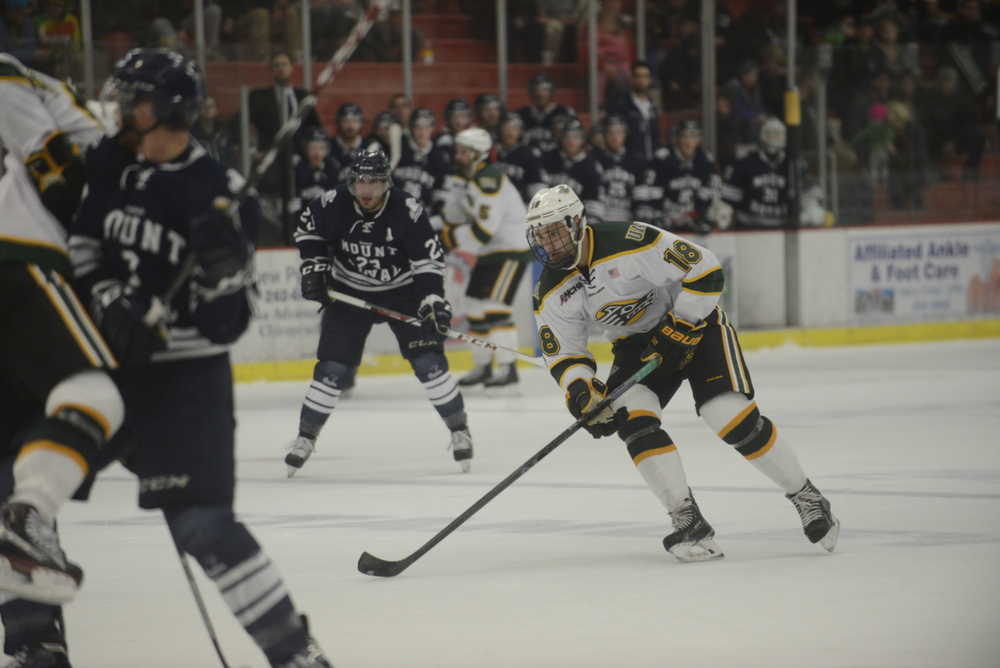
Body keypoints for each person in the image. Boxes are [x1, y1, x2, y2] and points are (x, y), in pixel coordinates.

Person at [69, 49, 333, 667]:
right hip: (98, 369)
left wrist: (219, 275)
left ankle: (295, 655)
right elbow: (82, 248)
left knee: (204, 527)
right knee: (20, 493)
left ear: (164, 109)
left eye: (132, 99)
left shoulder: (221, 194)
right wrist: (109, 299)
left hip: (184, 381)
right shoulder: (108, 166)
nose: (118, 109)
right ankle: (36, 643)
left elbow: (231, 322)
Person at [527, 184, 839, 562]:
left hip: (698, 324)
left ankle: (806, 495)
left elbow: (706, 271)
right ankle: (687, 520)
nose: (550, 243)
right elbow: (565, 355)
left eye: (556, 232)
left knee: (727, 418)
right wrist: (581, 393)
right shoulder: (549, 289)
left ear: (577, 223)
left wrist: (681, 324)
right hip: (637, 346)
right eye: (542, 235)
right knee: (632, 420)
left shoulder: (631, 240)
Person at [0, 53, 124, 665]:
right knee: (93, 390)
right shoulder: (14, 75)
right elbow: (55, 168)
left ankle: (35, 640)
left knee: (16, 456)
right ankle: (35, 637)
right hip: (21, 258)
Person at [285, 148, 474, 475]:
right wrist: (314, 264)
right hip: (349, 292)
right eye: (361, 181)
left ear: (386, 183)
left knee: (428, 363)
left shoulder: (407, 209)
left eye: (374, 181)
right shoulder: (333, 203)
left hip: (402, 292)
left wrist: (431, 299)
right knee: (331, 369)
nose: (367, 189)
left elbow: (427, 261)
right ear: (352, 182)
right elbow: (306, 229)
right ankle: (305, 437)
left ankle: (459, 430)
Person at [437, 128, 530, 390]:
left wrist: (446, 236)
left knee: (495, 307)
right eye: (458, 150)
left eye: (465, 151)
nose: (459, 155)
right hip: (491, 251)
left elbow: (483, 231)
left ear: (479, 154)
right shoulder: (465, 179)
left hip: (510, 250)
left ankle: (507, 367)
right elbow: (452, 218)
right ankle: (482, 365)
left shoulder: (489, 180)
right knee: (472, 306)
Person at [636, 120, 726, 234]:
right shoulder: (662, 159)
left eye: (693, 137)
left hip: (694, 217)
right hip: (667, 216)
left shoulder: (706, 161)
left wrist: (702, 214)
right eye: (685, 137)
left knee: (723, 211)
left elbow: (715, 193)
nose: (689, 142)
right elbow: (647, 193)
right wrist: (659, 215)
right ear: (677, 138)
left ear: (699, 139)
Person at [722, 117, 789, 229]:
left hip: (782, 227)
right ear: (762, 135)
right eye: (771, 134)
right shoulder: (745, 163)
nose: (774, 139)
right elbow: (728, 200)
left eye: (778, 135)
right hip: (749, 227)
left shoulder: (791, 165)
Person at [539, 117, 604, 223]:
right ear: (561, 138)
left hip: (575, 222)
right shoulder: (547, 159)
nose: (571, 141)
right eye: (567, 137)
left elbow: (593, 206)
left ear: (583, 140)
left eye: (576, 137)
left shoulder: (591, 166)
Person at [594, 115, 644, 224]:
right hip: (602, 218)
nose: (614, 137)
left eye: (619, 132)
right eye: (610, 133)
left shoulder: (636, 160)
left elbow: (641, 195)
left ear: (625, 135)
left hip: (629, 218)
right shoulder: (594, 159)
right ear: (604, 135)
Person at [607, 60, 660, 161]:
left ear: (650, 79)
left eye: (645, 76)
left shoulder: (652, 106)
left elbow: (655, 136)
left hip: (652, 161)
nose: (641, 80)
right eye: (638, 76)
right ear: (632, 78)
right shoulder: (622, 105)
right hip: (630, 161)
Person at [517, 72, 575, 153]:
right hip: (528, 160)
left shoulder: (565, 112)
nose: (540, 94)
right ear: (530, 92)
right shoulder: (520, 114)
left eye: (544, 90)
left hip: (558, 160)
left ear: (552, 92)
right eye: (536, 90)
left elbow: (577, 139)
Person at [495, 111, 545, 204]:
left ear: (520, 131)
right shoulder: (490, 151)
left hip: (518, 204)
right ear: (499, 129)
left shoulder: (529, 154)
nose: (509, 132)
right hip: (491, 201)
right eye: (506, 128)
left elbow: (536, 186)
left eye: (514, 128)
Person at [394, 106, 437, 206]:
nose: (422, 132)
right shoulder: (399, 149)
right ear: (411, 128)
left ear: (432, 128)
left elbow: (440, 189)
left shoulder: (438, 155)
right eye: (418, 127)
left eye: (426, 127)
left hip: (427, 211)